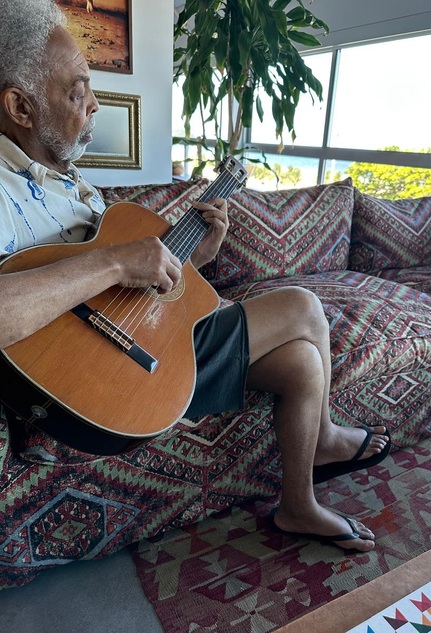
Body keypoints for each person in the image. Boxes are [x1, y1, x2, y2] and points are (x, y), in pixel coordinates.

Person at [0, 0, 390, 553]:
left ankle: (298, 507)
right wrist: (114, 260)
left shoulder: (72, 184)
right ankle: (325, 437)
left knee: (302, 363)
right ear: (19, 105)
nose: (94, 104)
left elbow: (129, 288)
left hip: (131, 351)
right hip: (85, 382)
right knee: (302, 305)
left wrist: (194, 258)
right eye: (77, 90)